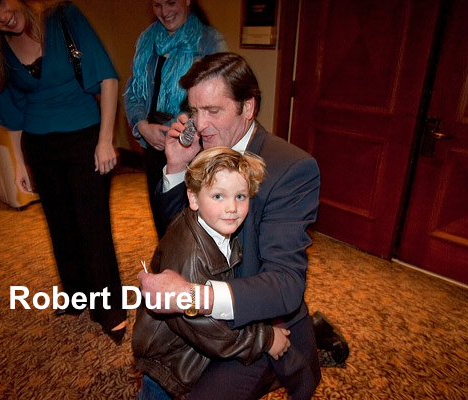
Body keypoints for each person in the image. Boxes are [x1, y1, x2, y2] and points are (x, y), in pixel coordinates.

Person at [137, 52, 325, 399]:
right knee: (156, 371)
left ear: (248, 107)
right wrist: (178, 167)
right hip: (193, 311)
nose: (200, 124)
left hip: (255, 318)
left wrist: (196, 296)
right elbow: (180, 237)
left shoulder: (291, 168)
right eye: (194, 111)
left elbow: (285, 284)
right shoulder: (198, 151)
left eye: (213, 111)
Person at [0, 0, 126, 342]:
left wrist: (106, 140)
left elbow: (107, 78)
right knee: (60, 226)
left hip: (84, 138)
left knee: (92, 226)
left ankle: (109, 308)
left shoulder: (63, 16)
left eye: (0, 2)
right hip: (39, 145)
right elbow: (12, 108)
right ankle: (77, 295)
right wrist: (20, 162)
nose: (1, 17)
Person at [134, 146, 305, 399]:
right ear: (193, 198)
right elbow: (207, 329)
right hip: (169, 366)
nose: (231, 208)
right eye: (218, 196)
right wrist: (265, 339)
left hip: (191, 355)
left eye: (240, 196)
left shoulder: (219, 227)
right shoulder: (190, 256)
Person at [124, 0, 227, 239]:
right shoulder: (147, 40)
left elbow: (218, 99)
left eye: (171, 2)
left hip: (191, 146)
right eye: (158, 5)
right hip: (152, 141)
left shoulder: (209, 40)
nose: (165, 12)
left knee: (191, 223)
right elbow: (133, 91)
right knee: (162, 218)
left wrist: (184, 137)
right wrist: (142, 126)